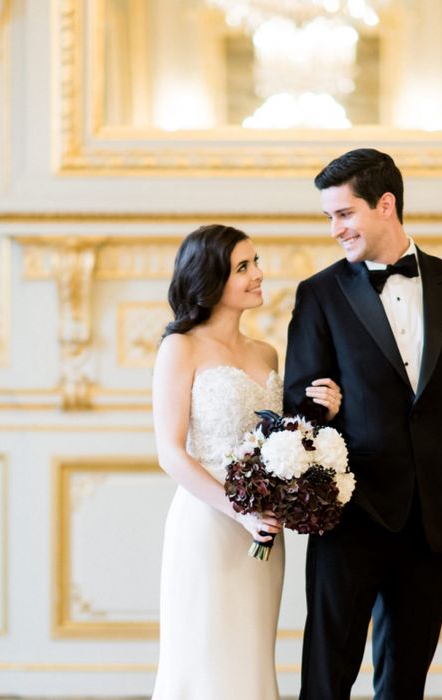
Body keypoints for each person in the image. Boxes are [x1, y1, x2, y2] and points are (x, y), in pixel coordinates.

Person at [283, 149, 442, 699]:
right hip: (349, 517)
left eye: (344, 214)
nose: (335, 229)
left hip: (433, 519)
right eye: (329, 217)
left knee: (405, 680)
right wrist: (317, 409)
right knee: (327, 677)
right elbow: (295, 407)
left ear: (386, 205)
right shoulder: (319, 295)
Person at [151, 224, 342, 700]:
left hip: (264, 529)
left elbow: (283, 438)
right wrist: (239, 510)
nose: (259, 274)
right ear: (210, 279)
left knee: (250, 658)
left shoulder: (266, 352)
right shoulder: (181, 347)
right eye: (243, 267)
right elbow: (170, 453)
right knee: (203, 657)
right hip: (208, 523)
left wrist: (325, 412)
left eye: (256, 262)